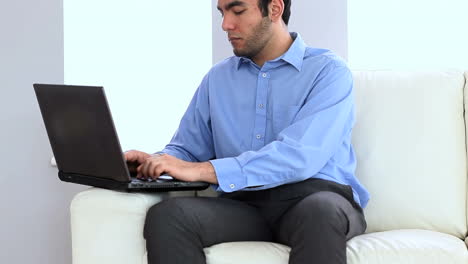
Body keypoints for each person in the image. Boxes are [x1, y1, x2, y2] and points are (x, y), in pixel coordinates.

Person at [125, 0, 370, 263]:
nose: (225, 24)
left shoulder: (328, 71)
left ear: (274, 9)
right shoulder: (217, 79)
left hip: (315, 199)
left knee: (320, 211)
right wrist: (156, 162)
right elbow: (187, 149)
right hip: (246, 205)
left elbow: (301, 156)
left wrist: (206, 170)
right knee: (169, 216)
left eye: (237, 11)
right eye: (222, 12)